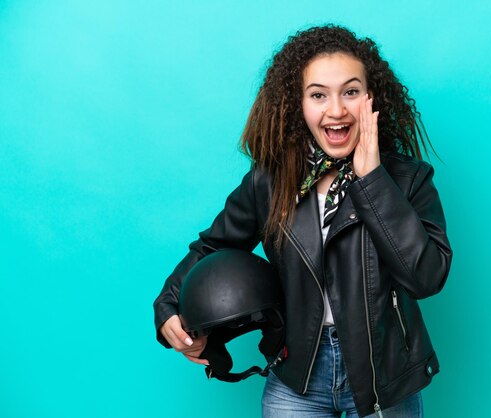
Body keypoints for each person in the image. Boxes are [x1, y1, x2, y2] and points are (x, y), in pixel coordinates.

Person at [154, 24, 452, 418]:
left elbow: (426, 277)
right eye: (318, 95)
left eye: (350, 91)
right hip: (298, 375)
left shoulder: (408, 179)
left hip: (385, 375)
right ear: (299, 105)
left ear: (370, 99)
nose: (336, 109)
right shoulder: (270, 181)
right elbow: (215, 246)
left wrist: (373, 180)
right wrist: (169, 307)